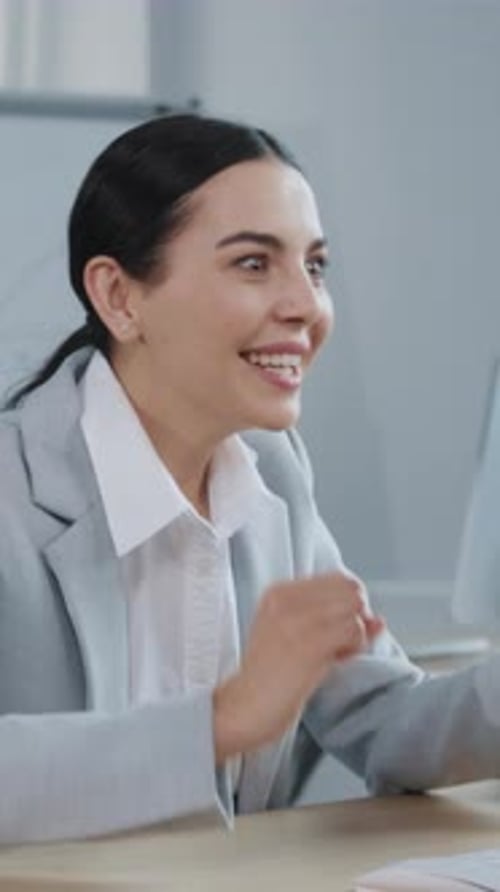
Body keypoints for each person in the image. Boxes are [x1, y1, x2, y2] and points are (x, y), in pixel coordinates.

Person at [1, 113, 499, 845]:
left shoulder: (272, 473)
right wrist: (222, 721)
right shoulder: (14, 492)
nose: (306, 306)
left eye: (315, 267)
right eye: (254, 264)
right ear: (119, 297)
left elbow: (386, 720)